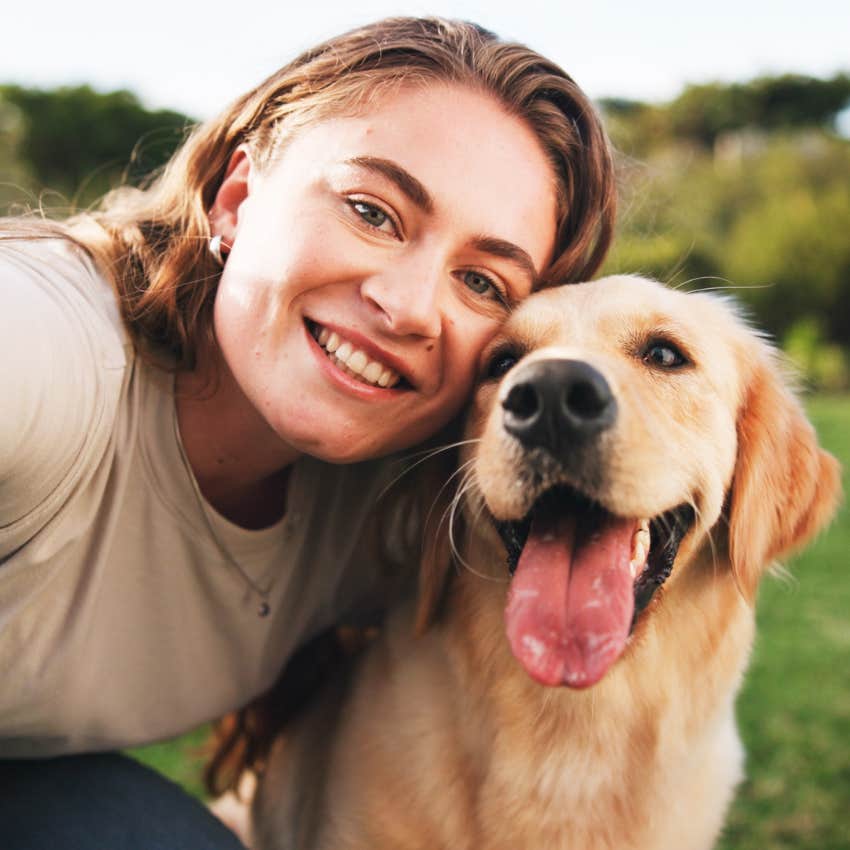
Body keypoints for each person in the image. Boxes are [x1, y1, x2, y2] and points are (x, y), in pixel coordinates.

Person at [0, 16, 616, 848]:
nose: (408, 306)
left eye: (481, 282)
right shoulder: (46, 353)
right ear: (237, 199)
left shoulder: (402, 515)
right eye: (372, 212)